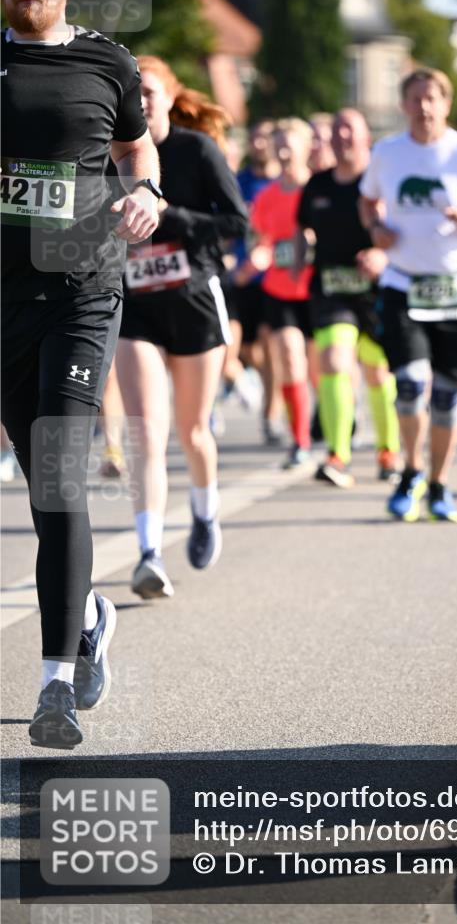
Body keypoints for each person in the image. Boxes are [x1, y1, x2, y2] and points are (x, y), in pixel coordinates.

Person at [1, 0, 160, 748]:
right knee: (40, 488)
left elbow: (138, 147)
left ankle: (53, 686)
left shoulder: (107, 61)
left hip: (82, 288)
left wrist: (150, 195)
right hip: (4, 300)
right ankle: (93, 613)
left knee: (61, 478)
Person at [115, 55, 247, 598]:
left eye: (148, 91)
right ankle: (148, 552)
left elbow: (238, 224)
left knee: (193, 432)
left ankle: (204, 511)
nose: (140, 100)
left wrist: (173, 216)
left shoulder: (196, 150)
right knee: (146, 431)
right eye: (132, 92)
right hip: (138, 305)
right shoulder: (111, 154)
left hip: (193, 300)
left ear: (169, 96)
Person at [359, 68, 457, 521]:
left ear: (445, 104)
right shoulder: (387, 153)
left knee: (446, 393)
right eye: (416, 98)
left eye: (433, 99)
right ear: (404, 104)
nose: (424, 107)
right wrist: (375, 228)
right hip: (404, 283)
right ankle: (411, 471)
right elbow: (367, 200)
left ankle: (440, 484)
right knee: (408, 384)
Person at [295, 108, 400, 488]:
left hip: (378, 291)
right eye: (336, 130)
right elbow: (301, 227)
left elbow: (405, 233)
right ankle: (338, 455)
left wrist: (383, 255)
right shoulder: (318, 185)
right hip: (331, 289)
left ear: (366, 137)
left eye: (349, 130)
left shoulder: (382, 183)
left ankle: (389, 451)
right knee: (335, 361)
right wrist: (295, 260)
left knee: (377, 371)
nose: (341, 136)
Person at [248, 118, 315, 468]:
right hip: (279, 289)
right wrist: (258, 254)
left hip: (317, 289)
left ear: (307, 148)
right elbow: (260, 240)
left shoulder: (318, 190)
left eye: (291, 144)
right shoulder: (266, 197)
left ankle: (336, 427)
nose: (284, 152)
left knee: (322, 368)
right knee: (290, 357)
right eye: (279, 146)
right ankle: (300, 440)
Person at [226, 120, 283, 442]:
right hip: (240, 277)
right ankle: (251, 383)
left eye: (265, 138)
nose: (259, 144)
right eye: (254, 138)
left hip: (271, 279)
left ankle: (271, 417)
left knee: (270, 349)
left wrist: (269, 255)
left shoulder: (282, 184)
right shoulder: (240, 181)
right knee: (239, 350)